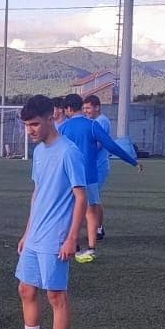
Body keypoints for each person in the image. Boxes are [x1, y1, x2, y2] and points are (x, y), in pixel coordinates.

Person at [0, 94, 86, 329]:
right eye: (27, 125)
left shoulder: (69, 151)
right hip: (36, 235)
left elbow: (81, 197)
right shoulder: (39, 152)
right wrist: (27, 232)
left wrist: (72, 238)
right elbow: (38, 192)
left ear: (51, 117)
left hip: (56, 236)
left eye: (34, 124)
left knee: (56, 296)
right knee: (26, 289)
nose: (30, 130)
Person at [59, 93, 141, 261]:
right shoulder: (92, 125)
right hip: (89, 175)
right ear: (81, 106)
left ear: (67, 109)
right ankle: (91, 247)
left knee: (69, 210)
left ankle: (73, 244)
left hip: (69, 176)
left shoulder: (63, 128)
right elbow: (111, 145)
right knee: (90, 211)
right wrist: (133, 161)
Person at [82, 93, 112, 239]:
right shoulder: (97, 121)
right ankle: (98, 228)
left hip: (99, 166)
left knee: (92, 200)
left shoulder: (101, 121)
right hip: (96, 165)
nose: (86, 111)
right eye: (84, 108)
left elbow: (100, 144)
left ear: (97, 107)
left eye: (88, 108)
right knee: (94, 198)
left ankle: (97, 229)